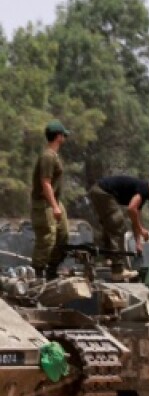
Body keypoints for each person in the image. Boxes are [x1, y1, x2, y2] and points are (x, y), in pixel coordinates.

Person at [87, 175, 149, 278]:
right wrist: (141, 230)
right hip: (103, 191)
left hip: (98, 191)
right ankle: (118, 270)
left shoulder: (142, 195)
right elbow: (131, 209)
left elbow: (136, 219)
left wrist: (138, 243)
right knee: (117, 223)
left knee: (110, 226)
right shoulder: (145, 189)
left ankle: (108, 259)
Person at [30, 120, 71, 280]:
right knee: (47, 238)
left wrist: (57, 205)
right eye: (63, 135)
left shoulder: (54, 155)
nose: (64, 138)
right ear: (58, 136)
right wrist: (54, 207)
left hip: (54, 201)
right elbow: (45, 183)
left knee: (63, 236)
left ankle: (52, 271)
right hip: (44, 203)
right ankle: (38, 274)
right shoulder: (47, 156)